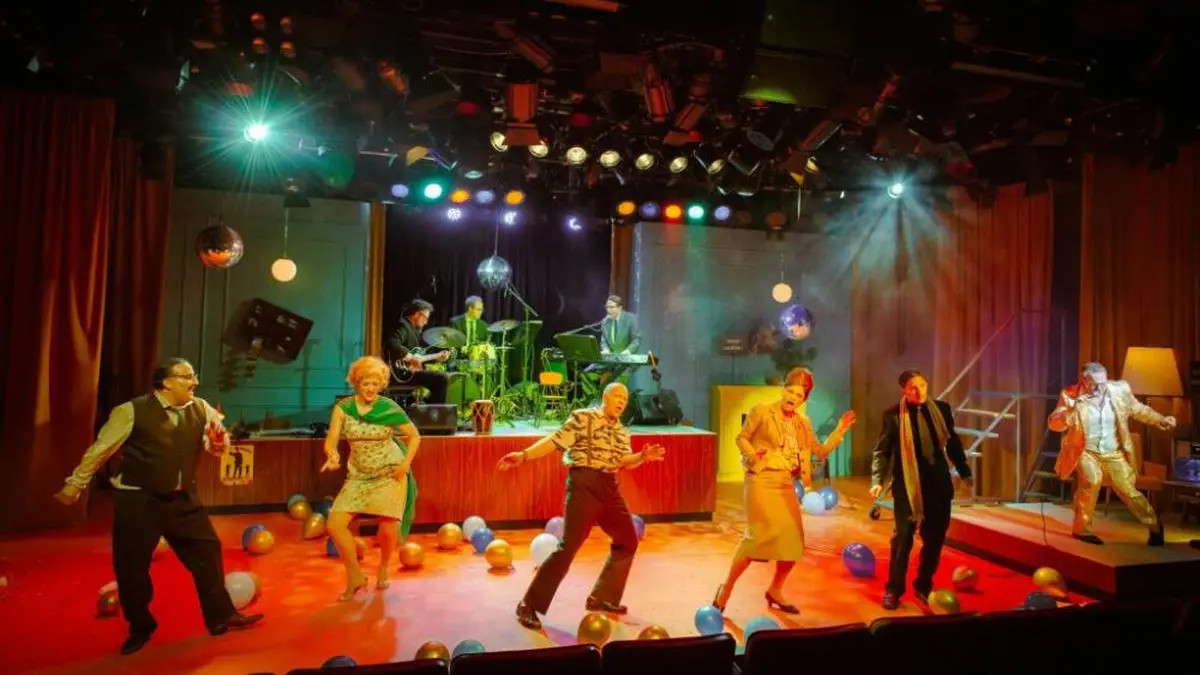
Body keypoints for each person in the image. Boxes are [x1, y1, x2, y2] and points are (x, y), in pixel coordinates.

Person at [53, 358, 263, 655]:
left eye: (194, 376)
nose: (194, 382)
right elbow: (100, 450)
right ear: (166, 382)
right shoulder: (130, 411)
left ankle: (221, 616)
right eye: (187, 377)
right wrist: (75, 484)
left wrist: (219, 442)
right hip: (140, 499)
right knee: (132, 567)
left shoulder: (201, 408)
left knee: (207, 552)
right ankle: (140, 627)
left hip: (182, 499)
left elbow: (217, 447)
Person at [496, 383, 666, 630]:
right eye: (617, 396)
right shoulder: (584, 418)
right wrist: (524, 455)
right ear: (605, 397)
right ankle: (528, 605)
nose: (621, 401)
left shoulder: (621, 430)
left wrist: (642, 457)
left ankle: (602, 597)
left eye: (625, 398)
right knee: (568, 547)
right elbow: (555, 441)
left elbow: (622, 461)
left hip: (609, 487)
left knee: (628, 539)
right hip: (583, 484)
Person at [712, 368, 855, 614]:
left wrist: (839, 431)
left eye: (799, 395)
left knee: (793, 543)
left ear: (803, 399)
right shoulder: (761, 411)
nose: (792, 398)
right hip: (760, 481)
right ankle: (726, 590)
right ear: (783, 390)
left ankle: (775, 590)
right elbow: (741, 438)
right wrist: (753, 455)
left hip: (785, 484)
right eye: (790, 391)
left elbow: (819, 452)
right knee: (757, 539)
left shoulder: (803, 423)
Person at [869, 369, 973, 610]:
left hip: (938, 484)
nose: (919, 392)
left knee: (934, 538)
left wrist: (964, 470)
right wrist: (877, 480)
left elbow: (952, 442)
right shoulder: (893, 415)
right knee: (903, 538)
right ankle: (894, 590)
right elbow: (882, 451)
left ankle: (923, 585)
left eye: (923, 386)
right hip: (908, 485)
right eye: (913, 388)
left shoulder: (942, 409)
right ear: (903, 390)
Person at [321, 356, 421, 600]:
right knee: (334, 525)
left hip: (389, 472)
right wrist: (332, 455)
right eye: (366, 383)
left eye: (376, 384)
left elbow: (415, 436)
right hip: (359, 475)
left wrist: (405, 465)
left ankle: (384, 566)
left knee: (387, 527)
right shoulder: (344, 408)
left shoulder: (388, 408)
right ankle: (355, 575)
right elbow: (331, 440)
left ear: (381, 385)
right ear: (356, 383)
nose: (370, 389)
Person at [1048, 361, 1175, 545]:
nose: (1100, 388)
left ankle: (1154, 525)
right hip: (1086, 450)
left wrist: (1160, 419)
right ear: (1084, 381)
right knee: (1091, 481)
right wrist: (1068, 412)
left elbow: (1138, 409)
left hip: (1113, 451)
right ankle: (1082, 529)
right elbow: (1054, 424)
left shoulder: (1119, 390)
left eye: (1103, 383)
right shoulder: (1070, 395)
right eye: (1094, 384)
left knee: (1127, 489)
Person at [386, 299, 451, 404]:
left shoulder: (414, 330)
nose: (426, 322)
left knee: (441, 378)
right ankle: (433, 411)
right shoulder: (404, 326)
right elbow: (392, 343)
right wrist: (410, 357)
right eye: (425, 318)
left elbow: (418, 358)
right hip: (402, 374)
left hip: (409, 373)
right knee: (442, 379)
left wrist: (437, 358)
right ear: (417, 314)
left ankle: (428, 408)